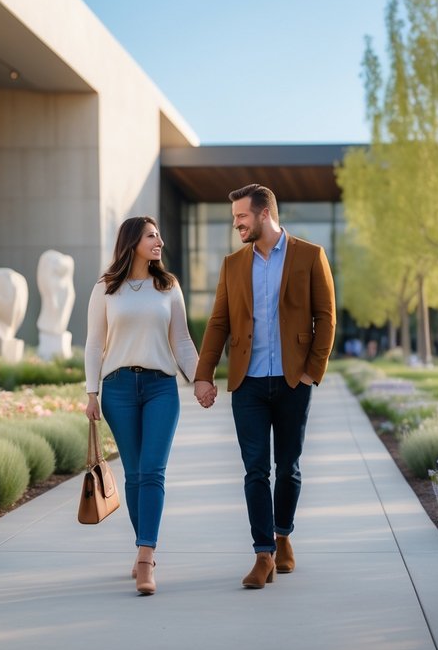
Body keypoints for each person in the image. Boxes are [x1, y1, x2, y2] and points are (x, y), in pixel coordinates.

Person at [194, 184, 336, 589]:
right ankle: (263, 554)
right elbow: (219, 321)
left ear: (263, 214)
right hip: (248, 383)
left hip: (294, 380)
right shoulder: (233, 264)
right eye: (235, 217)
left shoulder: (310, 256)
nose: (235, 223)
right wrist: (204, 374)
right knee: (255, 470)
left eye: (241, 216)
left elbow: (326, 318)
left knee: (288, 467)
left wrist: (312, 371)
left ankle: (283, 534)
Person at [84, 216, 198, 596]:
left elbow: (182, 341)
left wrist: (201, 380)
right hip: (117, 390)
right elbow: (94, 343)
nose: (160, 241)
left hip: (161, 387)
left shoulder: (168, 286)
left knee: (152, 471)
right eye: (152, 236)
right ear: (132, 241)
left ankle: (146, 557)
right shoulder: (106, 288)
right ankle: (142, 545)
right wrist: (91, 393)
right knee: (134, 475)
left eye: (159, 235)